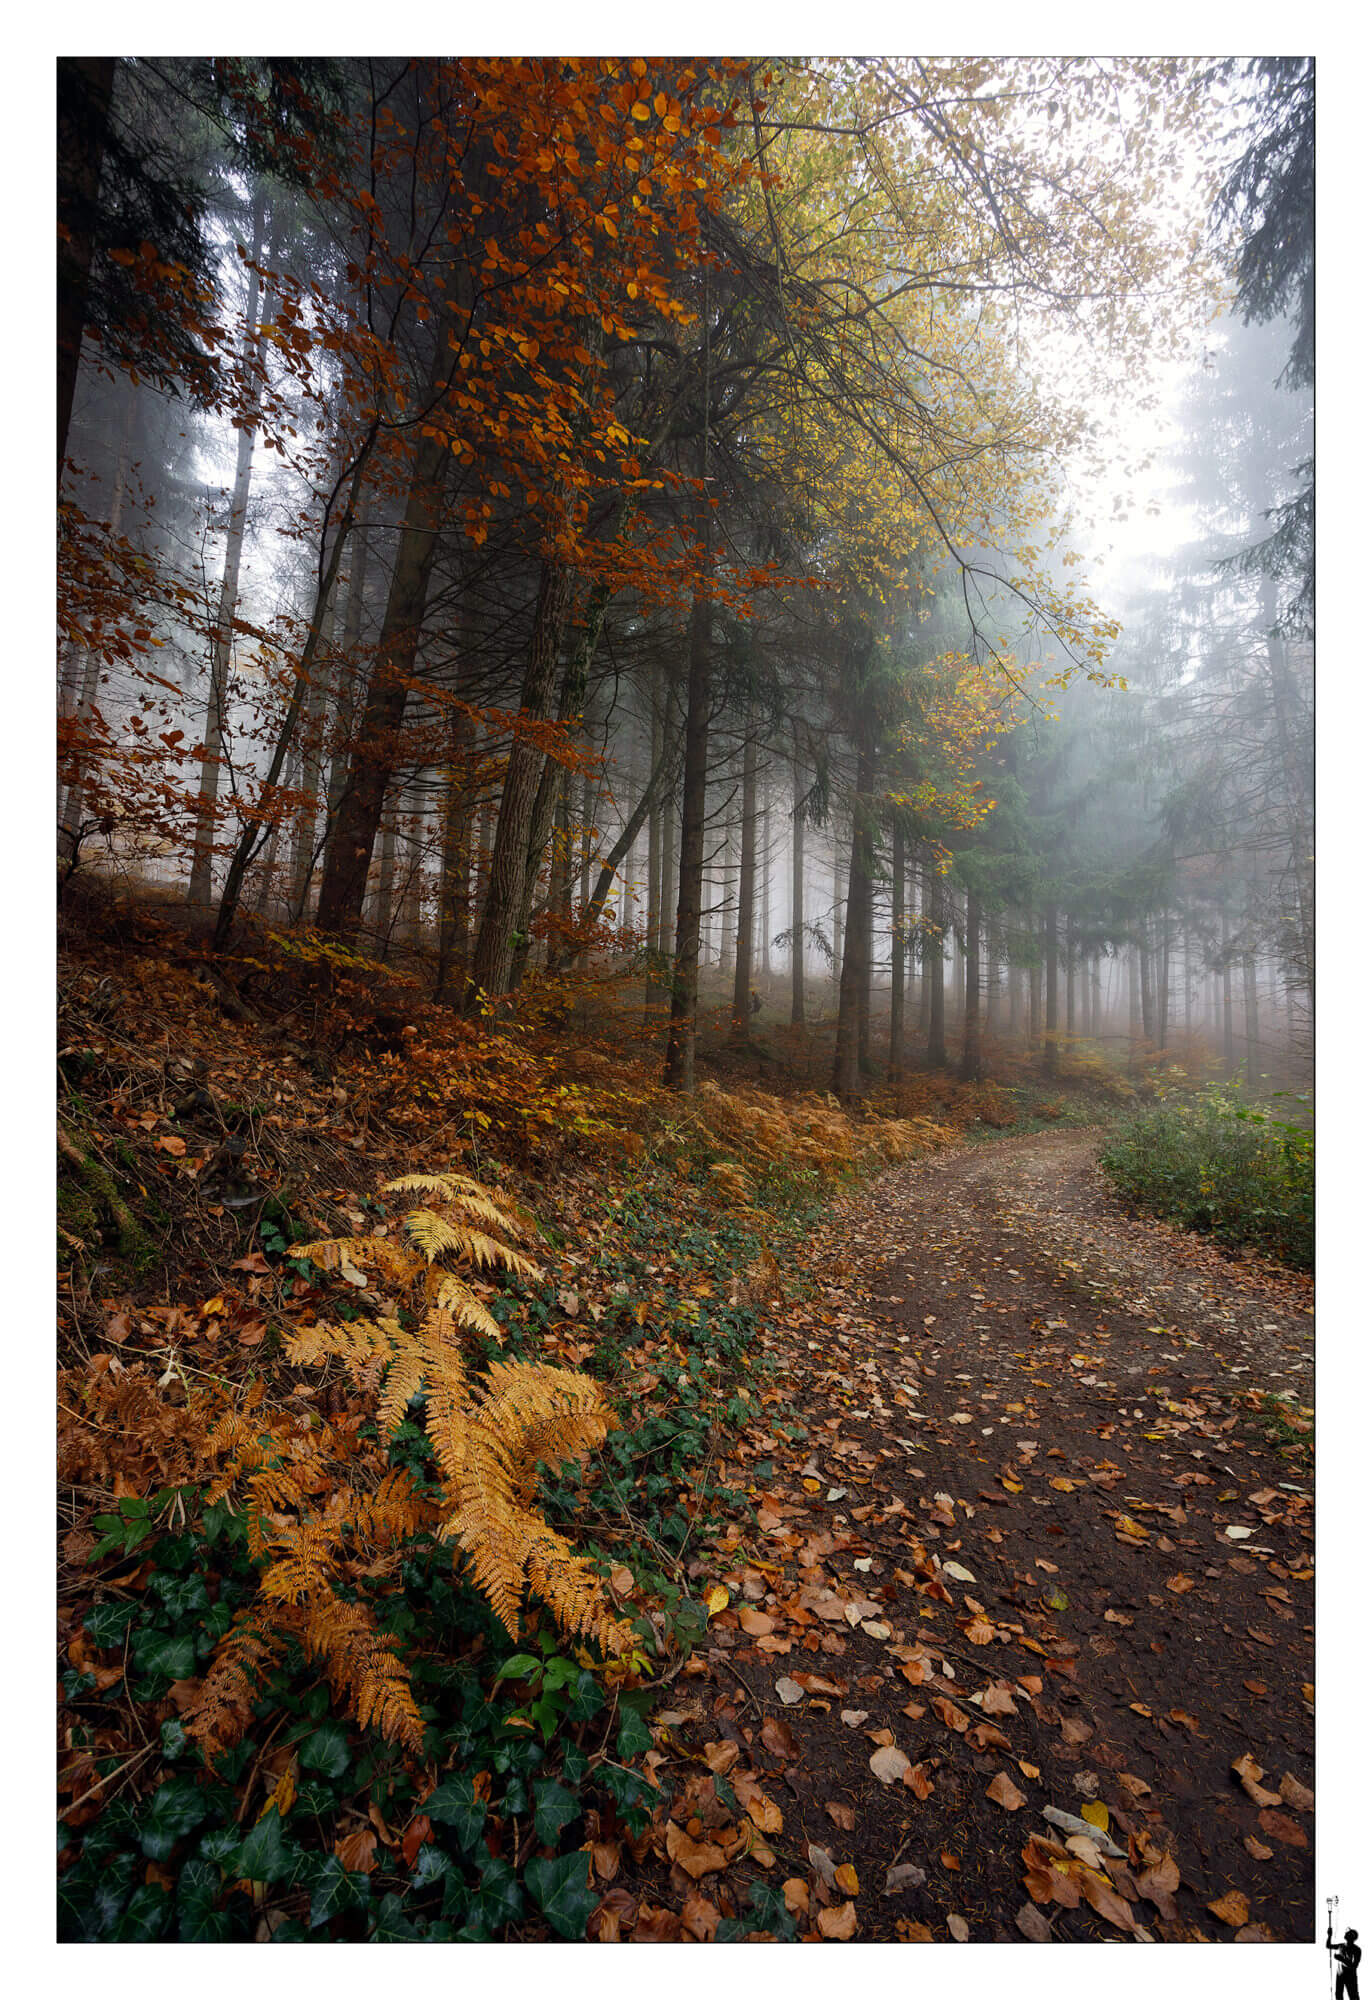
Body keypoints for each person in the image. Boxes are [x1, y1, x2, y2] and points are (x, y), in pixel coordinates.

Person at [1329, 1922, 1361, 2000]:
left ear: (1351, 1937)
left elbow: (1354, 1966)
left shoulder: (1356, 1950)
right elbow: (1328, 1946)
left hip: (1350, 1977)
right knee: (1339, 1995)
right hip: (1340, 1975)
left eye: (1348, 1933)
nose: (1345, 1933)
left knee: (1353, 1996)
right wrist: (1329, 1935)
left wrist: (1341, 1959)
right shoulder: (1341, 1946)